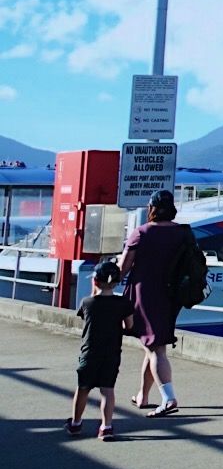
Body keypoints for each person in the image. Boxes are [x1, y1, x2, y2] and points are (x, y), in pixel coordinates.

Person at [117, 188, 190, 417]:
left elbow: (123, 268)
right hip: (173, 295)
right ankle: (143, 395)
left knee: (155, 347)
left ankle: (168, 398)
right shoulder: (184, 233)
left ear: (152, 208)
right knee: (152, 346)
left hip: (145, 294)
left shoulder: (142, 233)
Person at [69, 260, 135, 440]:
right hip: (111, 352)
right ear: (116, 282)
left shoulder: (87, 302)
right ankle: (106, 427)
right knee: (107, 390)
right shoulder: (123, 303)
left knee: (83, 388)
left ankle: (75, 423)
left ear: (95, 281)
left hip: (89, 352)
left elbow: (86, 317)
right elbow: (129, 325)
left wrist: (94, 292)